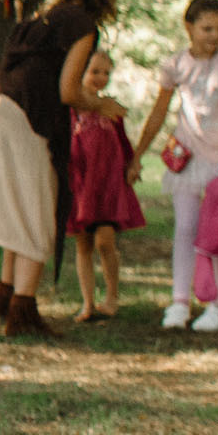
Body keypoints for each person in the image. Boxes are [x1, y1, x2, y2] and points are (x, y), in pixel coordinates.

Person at [0, 0, 123, 338]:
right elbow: (68, 91)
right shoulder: (82, 26)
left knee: (13, 206)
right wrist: (100, 105)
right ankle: (22, 311)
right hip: (26, 114)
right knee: (37, 210)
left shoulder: (45, 16)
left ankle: (4, 293)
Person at [130, 0, 218, 332]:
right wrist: (138, 153)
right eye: (207, 28)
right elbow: (159, 111)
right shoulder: (175, 65)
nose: (214, 35)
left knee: (217, 233)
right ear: (189, 27)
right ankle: (180, 301)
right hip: (187, 159)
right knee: (185, 229)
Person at [67, 49, 146, 323]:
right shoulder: (71, 109)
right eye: (94, 72)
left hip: (108, 184)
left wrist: (132, 164)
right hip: (81, 185)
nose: (101, 78)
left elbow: (123, 142)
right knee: (83, 245)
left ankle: (112, 295)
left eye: (106, 73)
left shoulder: (111, 108)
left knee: (105, 241)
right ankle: (87, 302)